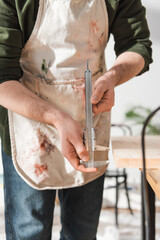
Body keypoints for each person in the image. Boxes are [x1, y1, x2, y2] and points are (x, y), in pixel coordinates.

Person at [0, 0, 152, 239]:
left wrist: (112, 77)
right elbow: (2, 79)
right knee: (29, 232)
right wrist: (57, 118)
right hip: (29, 131)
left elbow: (138, 44)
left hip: (91, 123)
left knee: (81, 232)